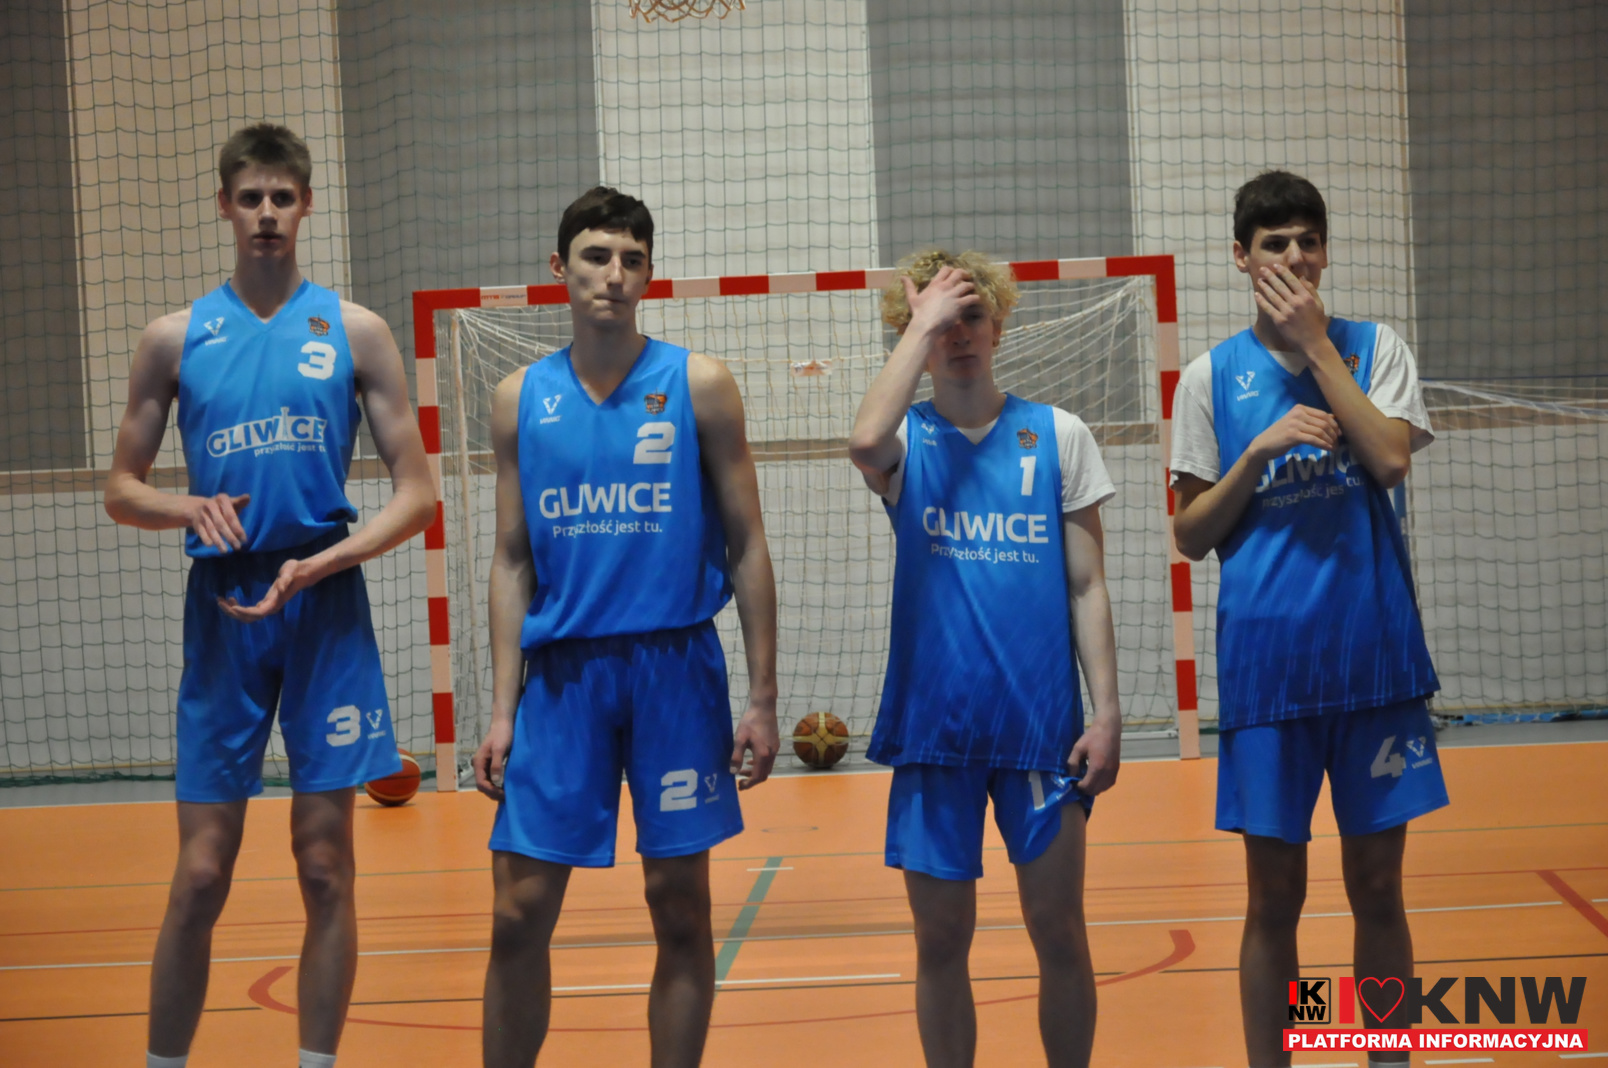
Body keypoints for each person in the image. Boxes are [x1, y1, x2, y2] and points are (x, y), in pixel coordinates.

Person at [103, 124, 437, 1068]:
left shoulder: (355, 331)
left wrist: (328, 561)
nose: (265, 214)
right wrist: (187, 507)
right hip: (224, 610)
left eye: (281, 197)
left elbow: (417, 494)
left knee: (326, 866)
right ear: (224, 206)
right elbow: (121, 488)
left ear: (306, 205)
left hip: (324, 603)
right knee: (202, 871)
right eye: (249, 197)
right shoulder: (174, 338)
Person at [474, 186, 780, 1068]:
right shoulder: (518, 397)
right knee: (517, 911)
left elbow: (748, 544)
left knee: (679, 908)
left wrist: (762, 699)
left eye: (631, 259)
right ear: (559, 269)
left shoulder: (699, 385)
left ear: (649, 273)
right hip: (561, 679)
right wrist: (501, 710)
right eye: (596, 257)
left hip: (674, 671)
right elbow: (510, 559)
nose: (614, 275)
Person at [1169, 170, 1447, 1068]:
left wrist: (1319, 349)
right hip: (1269, 675)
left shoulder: (1374, 347)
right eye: (1274, 243)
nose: (1294, 257)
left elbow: (1391, 460)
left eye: (1307, 241)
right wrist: (1256, 452)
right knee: (1273, 900)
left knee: (1378, 889)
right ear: (1241, 257)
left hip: (1375, 664)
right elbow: (1190, 534)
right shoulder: (1210, 377)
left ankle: (1386, 1058)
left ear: (1325, 251)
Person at [847, 249, 1123, 1068]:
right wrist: (920, 323)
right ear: (915, 335)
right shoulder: (905, 439)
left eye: (972, 315)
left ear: (999, 325)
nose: (959, 333)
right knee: (940, 942)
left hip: (1042, 733)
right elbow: (863, 441)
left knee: (1059, 931)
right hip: (934, 733)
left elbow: (1086, 586)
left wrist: (1108, 714)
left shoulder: (1059, 434)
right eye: (941, 322)